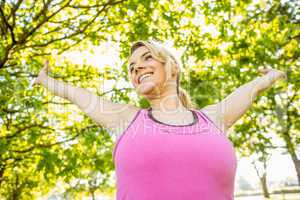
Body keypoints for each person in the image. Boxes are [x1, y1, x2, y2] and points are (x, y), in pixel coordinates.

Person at [33, 40, 286, 199]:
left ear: (173, 67)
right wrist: (46, 81)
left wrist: (270, 77)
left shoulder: (213, 118)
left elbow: (250, 90)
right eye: (131, 67)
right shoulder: (126, 119)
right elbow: (79, 95)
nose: (136, 68)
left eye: (146, 58)